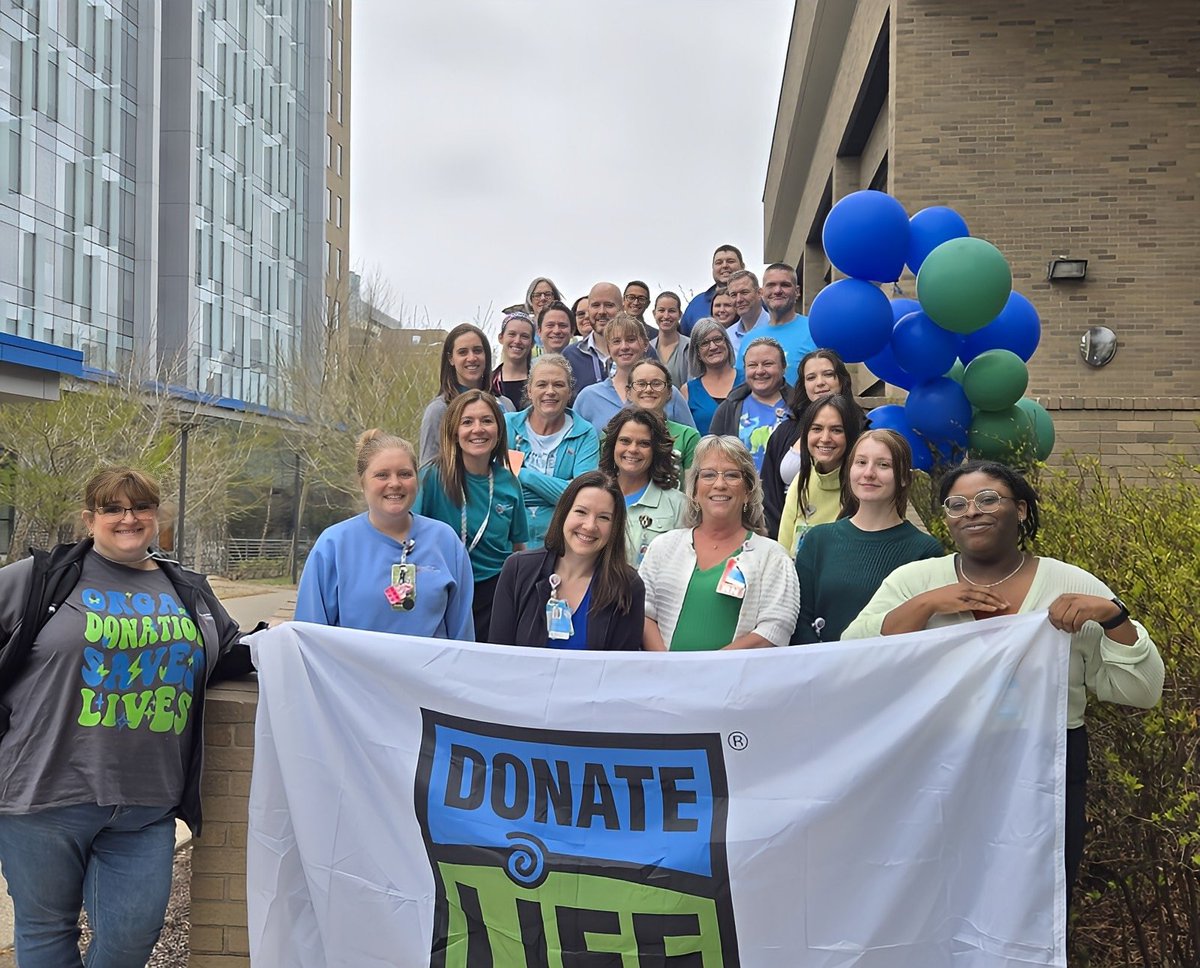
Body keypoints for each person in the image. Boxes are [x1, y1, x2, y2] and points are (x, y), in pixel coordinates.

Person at [842, 459, 1164, 909]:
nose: (972, 511)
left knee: (1032, 902)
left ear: (1022, 511)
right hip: (936, 764)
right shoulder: (915, 581)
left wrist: (1113, 617)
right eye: (957, 505)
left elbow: (1141, 691)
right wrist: (927, 605)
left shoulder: (1069, 583)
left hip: (1044, 765)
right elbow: (850, 658)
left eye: (988, 499)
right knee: (933, 894)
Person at [0, 466, 258, 968]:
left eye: (140, 507)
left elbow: (230, 651)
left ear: (156, 517)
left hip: (148, 801)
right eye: (112, 508)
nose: (128, 518)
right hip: (41, 794)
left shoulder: (187, 588)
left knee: (131, 938)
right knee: (47, 931)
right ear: (89, 518)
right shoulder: (40, 578)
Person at [296, 430, 474, 638]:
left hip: (429, 670)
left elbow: (462, 634)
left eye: (405, 474)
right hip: (353, 671)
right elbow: (309, 635)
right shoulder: (333, 545)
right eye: (382, 475)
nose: (395, 483)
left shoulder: (445, 541)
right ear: (362, 482)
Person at [640, 436, 800, 651]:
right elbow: (643, 612)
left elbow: (776, 628)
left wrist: (713, 670)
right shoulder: (663, 547)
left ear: (748, 491)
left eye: (732, 475)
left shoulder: (773, 557)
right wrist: (669, 668)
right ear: (694, 491)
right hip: (666, 679)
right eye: (708, 475)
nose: (720, 484)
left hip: (735, 682)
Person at [791, 430, 944, 644]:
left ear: (903, 478)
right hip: (822, 670)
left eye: (883, 465)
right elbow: (798, 618)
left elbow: (924, 630)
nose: (869, 473)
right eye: (861, 462)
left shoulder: (925, 550)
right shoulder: (819, 540)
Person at [414, 390, 528, 641]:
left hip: (494, 596)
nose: (478, 429)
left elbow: (518, 547)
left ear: (499, 429)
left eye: (487, 421)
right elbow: (409, 538)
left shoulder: (508, 481)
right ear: (454, 431)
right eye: (467, 422)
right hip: (442, 589)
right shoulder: (431, 478)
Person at [490, 472, 645, 651]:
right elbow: (498, 657)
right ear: (564, 513)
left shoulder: (628, 586)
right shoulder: (517, 569)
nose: (589, 525)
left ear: (615, 527)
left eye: (604, 517)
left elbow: (622, 670)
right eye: (581, 512)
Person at [505, 354, 600, 548]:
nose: (550, 391)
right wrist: (559, 492)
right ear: (529, 391)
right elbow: (497, 490)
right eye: (542, 385)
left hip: (560, 546)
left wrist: (522, 474)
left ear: (569, 391)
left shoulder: (585, 433)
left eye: (558, 385)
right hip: (507, 544)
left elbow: (583, 498)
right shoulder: (507, 425)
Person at [761, 349, 857, 538]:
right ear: (803, 385)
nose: (820, 382)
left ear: (842, 380)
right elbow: (768, 493)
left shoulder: (860, 431)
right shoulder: (784, 431)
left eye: (828, 374)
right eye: (811, 377)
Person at [573, 313, 695, 430]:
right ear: (608, 348)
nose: (624, 346)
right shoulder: (588, 397)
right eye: (616, 341)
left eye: (631, 340)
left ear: (646, 344)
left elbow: (690, 442)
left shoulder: (668, 393)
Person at [778, 392, 865, 555]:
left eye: (836, 430)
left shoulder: (864, 488)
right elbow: (783, 550)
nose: (825, 438)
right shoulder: (801, 481)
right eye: (817, 429)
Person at [599, 408, 685, 567]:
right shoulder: (593, 496)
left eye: (644, 443)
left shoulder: (678, 504)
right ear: (613, 445)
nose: (632, 449)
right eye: (625, 441)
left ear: (656, 450)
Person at [419, 323, 513, 467]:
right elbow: (427, 469)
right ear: (451, 359)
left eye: (477, 351)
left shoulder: (506, 405)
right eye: (463, 352)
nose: (471, 358)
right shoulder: (439, 410)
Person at [709, 336, 791, 473]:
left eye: (768, 364)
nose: (760, 371)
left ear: (783, 368)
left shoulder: (799, 407)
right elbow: (712, 456)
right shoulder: (729, 408)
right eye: (752, 365)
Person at [734, 264, 816, 378]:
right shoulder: (749, 338)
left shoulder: (815, 330)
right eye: (771, 285)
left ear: (797, 291)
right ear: (761, 293)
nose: (777, 290)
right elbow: (741, 388)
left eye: (785, 285)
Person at [626, 359, 699, 480]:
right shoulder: (613, 435)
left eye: (656, 383)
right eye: (641, 384)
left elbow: (692, 491)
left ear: (669, 392)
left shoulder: (688, 436)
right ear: (628, 392)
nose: (648, 389)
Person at [563, 282, 622, 396]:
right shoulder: (570, 356)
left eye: (609, 305)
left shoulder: (640, 351)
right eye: (595, 305)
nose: (601, 312)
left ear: (622, 309)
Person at [683, 318, 738, 436]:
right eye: (704, 343)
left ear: (727, 343)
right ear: (697, 352)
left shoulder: (749, 380)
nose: (713, 347)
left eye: (717, 339)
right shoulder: (688, 391)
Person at [681, 244, 745, 335]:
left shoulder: (757, 301)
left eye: (730, 261)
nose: (724, 266)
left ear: (742, 266)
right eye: (719, 263)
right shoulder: (696, 305)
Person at [490, 311, 536, 411]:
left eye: (524, 336)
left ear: (532, 343)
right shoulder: (489, 383)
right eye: (512, 334)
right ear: (501, 338)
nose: (517, 341)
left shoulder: (541, 382)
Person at [649, 291, 690, 387]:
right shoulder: (647, 349)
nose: (666, 316)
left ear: (680, 314)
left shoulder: (691, 347)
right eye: (661, 310)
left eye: (671, 311)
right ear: (654, 313)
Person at [725, 269, 767, 356]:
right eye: (733, 295)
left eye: (744, 292)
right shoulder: (727, 336)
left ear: (759, 293)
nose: (739, 299)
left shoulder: (779, 328)